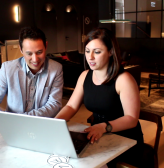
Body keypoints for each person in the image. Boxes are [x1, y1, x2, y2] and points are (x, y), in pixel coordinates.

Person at [55, 28, 143, 167]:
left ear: (110, 52)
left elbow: (131, 119)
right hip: (97, 136)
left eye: (97, 52)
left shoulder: (124, 79)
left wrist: (104, 127)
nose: (90, 57)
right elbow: (71, 106)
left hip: (125, 140)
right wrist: (56, 123)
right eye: (88, 51)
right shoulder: (85, 75)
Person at [0, 27, 64, 132]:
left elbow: (54, 104)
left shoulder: (56, 69)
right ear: (21, 50)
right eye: (29, 53)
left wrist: (21, 120)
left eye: (39, 52)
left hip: (41, 126)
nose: (35, 59)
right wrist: (2, 120)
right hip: (11, 128)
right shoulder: (8, 69)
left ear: (46, 46)